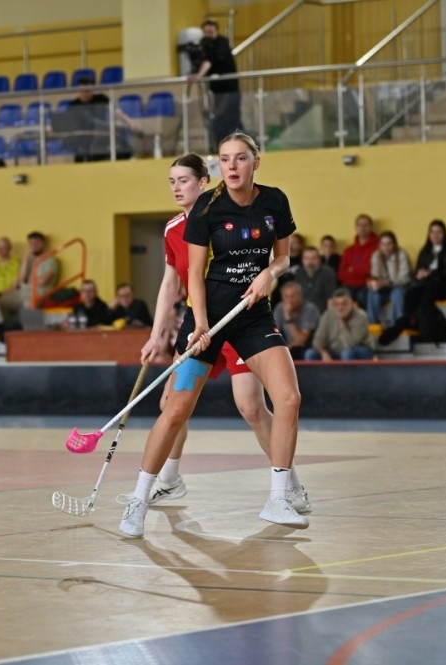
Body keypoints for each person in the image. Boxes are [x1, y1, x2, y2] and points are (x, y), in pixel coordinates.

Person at [120, 132, 307, 537]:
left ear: (256, 161)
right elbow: (192, 274)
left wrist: (270, 273)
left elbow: (283, 256)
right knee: (175, 409)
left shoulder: (275, 201)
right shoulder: (207, 206)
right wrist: (200, 323)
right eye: (225, 159)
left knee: (288, 398)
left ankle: (279, 498)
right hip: (206, 318)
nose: (232, 166)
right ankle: (139, 498)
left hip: (253, 317)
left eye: (240, 158)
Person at [190, 19, 242, 150]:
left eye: (211, 32)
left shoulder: (222, 43)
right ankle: (221, 146)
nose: (208, 35)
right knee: (219, 120)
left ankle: (237, 146)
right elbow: (201, 60)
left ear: (216, 31)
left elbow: (210, 61)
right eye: (206, 32)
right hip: (217, 91)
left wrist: (199, 75)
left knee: (230, 119)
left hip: (229, 89)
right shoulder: (205, 44)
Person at [404, 219, 446, 317]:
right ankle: (410, 321)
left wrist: (431, 273)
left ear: (444, 234)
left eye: (439, 232)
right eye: (432, 232)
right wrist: (418, 275)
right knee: (410, 294)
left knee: (428, 291)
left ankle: (428, 321)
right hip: (426, 284)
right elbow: (418, 270)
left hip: (445, 285)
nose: (435, 235)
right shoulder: (425, 251)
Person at [1, 231, 59, 325]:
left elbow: (43, 281)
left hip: (40, 292)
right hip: (24, 291)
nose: (34, 246)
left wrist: (25, 283)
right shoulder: (30, 259)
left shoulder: (50, 260)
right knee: (1, 301)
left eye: (36, 243)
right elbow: (21, 278)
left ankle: (33, 330)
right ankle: (10, 327)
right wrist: (25, 259)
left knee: (29, 303)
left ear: (43, 243)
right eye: (31, 244)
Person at [304, 288, 374, 361]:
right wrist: (323, 352)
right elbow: (317, 341)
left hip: (360, 350)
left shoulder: (361, 317)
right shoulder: (327, 315)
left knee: (347, 353)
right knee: (310, 353)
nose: (340, 308)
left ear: (351, 304)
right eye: (336, 304)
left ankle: (346, 369)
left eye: (344, 304)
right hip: (335, 351)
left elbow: (350, 345)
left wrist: (341, 322)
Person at [365, 230, 410, 326]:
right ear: (379, 245)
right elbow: (375, 275)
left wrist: (388, 282)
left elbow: (405, 278)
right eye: (383, 244)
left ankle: (394, 325)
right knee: (372, 293)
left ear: (394, 244)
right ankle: (373, 324)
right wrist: (372, 282)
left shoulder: (402, 255)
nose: (386, 247)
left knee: (397, 294)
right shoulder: (376, 256)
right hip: (384, 288)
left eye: (389, 244)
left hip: (399, 286)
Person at [337, 214, 378, 304]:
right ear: (355, 227)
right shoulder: (348, 250)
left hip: (367, 286)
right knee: (338, 298)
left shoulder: (378, 248)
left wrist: (353, 271)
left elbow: (374, 272)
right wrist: (360, 273)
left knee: (362, 297)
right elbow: (341, 273)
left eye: (365, 225)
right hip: (349, 286)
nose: (362, 228)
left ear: (371, 227)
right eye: (359, 225)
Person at [273, 280, 319, 360]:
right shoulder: (280, 308)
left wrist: (288, 319)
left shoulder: (310, 309)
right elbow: (274, 333)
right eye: (286, 296)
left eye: (293, 296)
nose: (290, 300)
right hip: (288, 346)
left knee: (296, 350)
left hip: (309, 347)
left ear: (300, 296)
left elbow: (301, 341)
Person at [295, 246, 337, 312]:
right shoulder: (299, 273)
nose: (310, 262)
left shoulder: (327, 272)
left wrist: (329, 316)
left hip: (321, 312)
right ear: (302, 260)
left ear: (319, 260)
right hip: (302, 312)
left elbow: (331, 298)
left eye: (313, 258)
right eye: (306, 259)